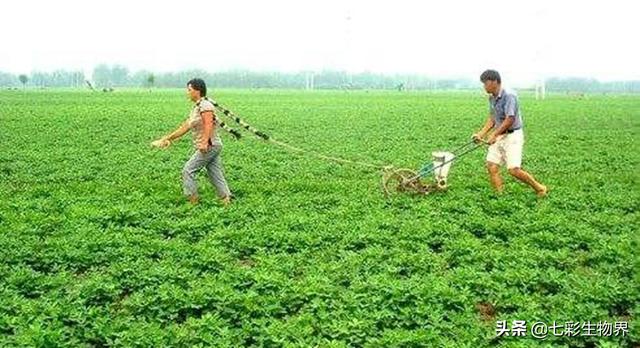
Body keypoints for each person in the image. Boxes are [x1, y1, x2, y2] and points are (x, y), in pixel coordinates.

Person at [152, 78, 232, 205]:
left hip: (210, 146)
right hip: (213, 146)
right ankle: (226, 199)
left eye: (189, 90)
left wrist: (205, 142)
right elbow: (185, 127)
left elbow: (208, 124)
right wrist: (167, 138)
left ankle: (193, 201)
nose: (187, 93)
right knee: (215, 173)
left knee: (188, 170)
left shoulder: (205, 105)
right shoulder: (197, 108)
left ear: (198, 90)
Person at [472, 69, 548, 197]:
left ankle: (540, 188)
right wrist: (481, 134)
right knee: (492, 166)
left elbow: (510, 119)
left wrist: (494, 135)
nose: (484, 86)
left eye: (486, 83)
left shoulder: (509, 95)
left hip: (512, 136)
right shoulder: (492, 98)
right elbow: (492, 118)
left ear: (495, 82)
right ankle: (500, 196)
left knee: (513, 170)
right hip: (500, 134)